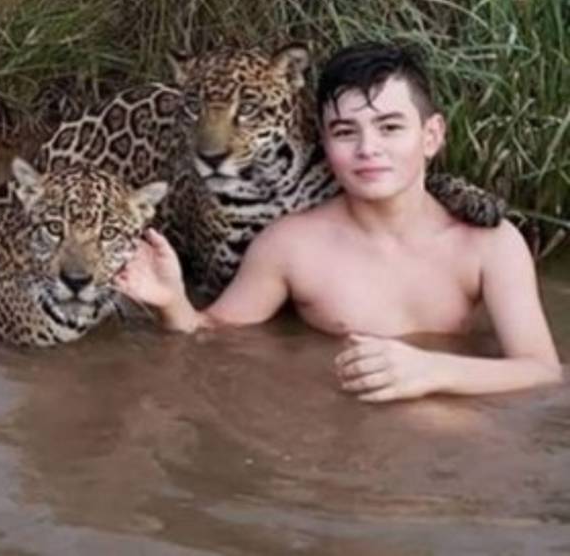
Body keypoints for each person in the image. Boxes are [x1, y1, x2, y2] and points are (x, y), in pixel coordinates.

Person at [114, 41, 563, 402]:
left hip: (456, 451)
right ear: (323, 143)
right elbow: (210, 335)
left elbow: (542, 372)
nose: (368, 148)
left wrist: (433, 370)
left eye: (389, 128)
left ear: (432, 136)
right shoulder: (290, 245)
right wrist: (171, 299)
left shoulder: (489, 245)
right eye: (346, 132)